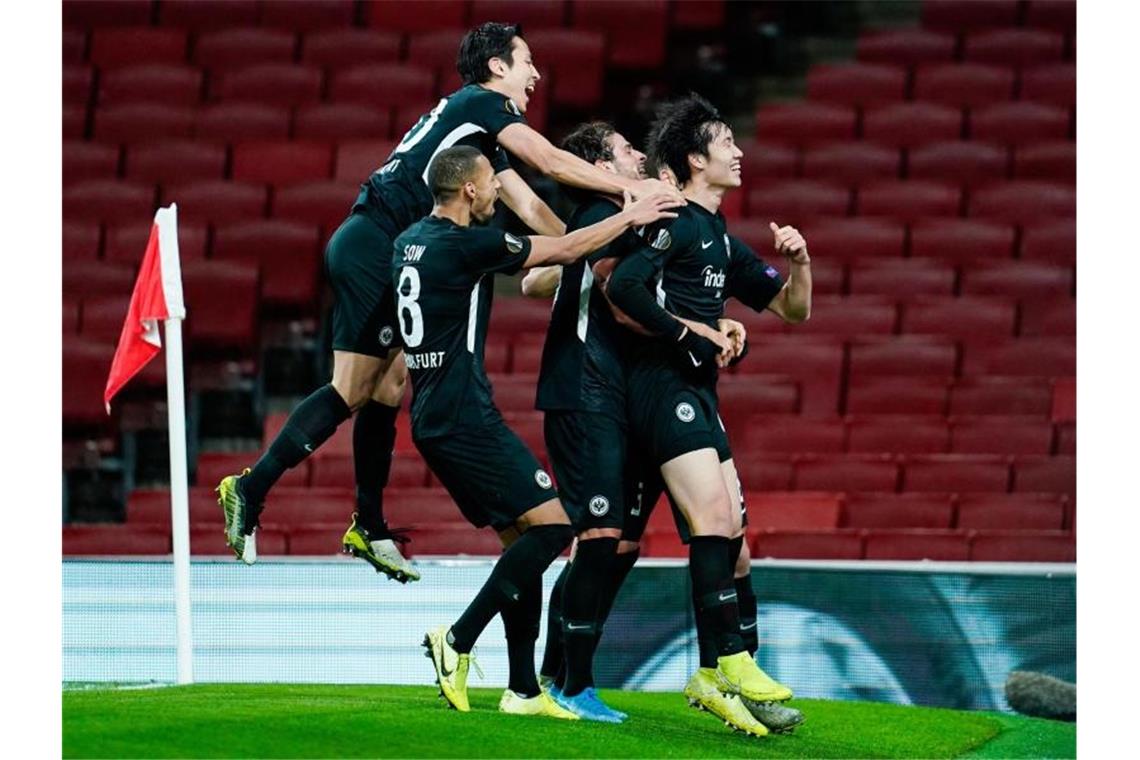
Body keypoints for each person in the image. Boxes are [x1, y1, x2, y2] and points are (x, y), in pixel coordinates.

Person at [215, 21, 679, 576]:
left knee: (387, 382)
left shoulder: (478, 139)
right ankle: (251, 487)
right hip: (375, 241)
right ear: (498, 67)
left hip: (375, 241)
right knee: (356, 387)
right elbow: (551, 162)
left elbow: (534, 211)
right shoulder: (482, 104)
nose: (535, 73)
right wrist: (631, 191)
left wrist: (590, 260)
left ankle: (368, 522)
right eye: (526, 61)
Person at [407, 145, 681, 718]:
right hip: (465, 416)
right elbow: (558, 249)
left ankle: (523, 689)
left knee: (523, 540)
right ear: (472, 191)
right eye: (493, 186)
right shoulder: (469, 243)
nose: (499, 196)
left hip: (430, 415)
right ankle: (456, 640)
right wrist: (630, 215)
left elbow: (537, 274)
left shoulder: (408, 242)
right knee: (556, 527)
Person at [606, 94, 812, 738]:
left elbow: (790, 309)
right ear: (696, 160)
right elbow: (623, 286)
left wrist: (801, 264)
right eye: (726, 142)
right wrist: (686, 335)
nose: (739, 151)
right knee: (712, 523)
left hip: (696, 391)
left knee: (737, 551)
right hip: (660, 384)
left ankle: (735, 684)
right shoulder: (674, 218)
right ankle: (728, 664)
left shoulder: (718, 233)